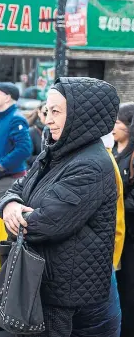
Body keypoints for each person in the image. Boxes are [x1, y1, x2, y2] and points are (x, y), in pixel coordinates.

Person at [0, 77, 121, 337]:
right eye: (47, 110)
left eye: (56, 112)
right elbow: (17, 189)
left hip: (68, 292)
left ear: (81, 116)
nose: (48, 119)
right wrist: (9, 205)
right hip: (48, 282)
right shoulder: (57, 152)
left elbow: (44, 224)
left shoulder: (91, 164)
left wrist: (15, 214)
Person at [112, 102, 134, 337]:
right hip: (116, 235)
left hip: (130, 237)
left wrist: (112, 206)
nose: (113, 127)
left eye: (118, 123)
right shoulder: (112, 151)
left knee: (128, 289)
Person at [0, 82, 31, 205]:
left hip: (8, 178)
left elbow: (25, 148)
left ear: (7, 97)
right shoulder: (2, 118)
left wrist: (2, 165)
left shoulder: (16, 118)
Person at [27, 103, 48, 167]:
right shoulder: (31, 131)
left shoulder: (56, 130)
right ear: (39, 113)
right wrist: (47, 156)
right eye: (45, 113)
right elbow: (28, 158)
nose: (48, 117)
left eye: (53, 112)